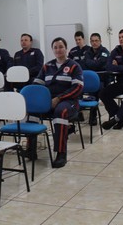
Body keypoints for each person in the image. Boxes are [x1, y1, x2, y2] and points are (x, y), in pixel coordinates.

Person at [33, 37, 83, 168]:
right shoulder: (47, 66)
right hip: (49, 101)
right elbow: (37, 84)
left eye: (61, 47)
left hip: (69, 101)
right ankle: (31, 149)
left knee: (60, 112)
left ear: (66, 49)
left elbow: (78, 88)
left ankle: (61, 153)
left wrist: (59, 98)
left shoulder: (74, 66)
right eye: (55, 47)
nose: (58, 50)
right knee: (31, 111)